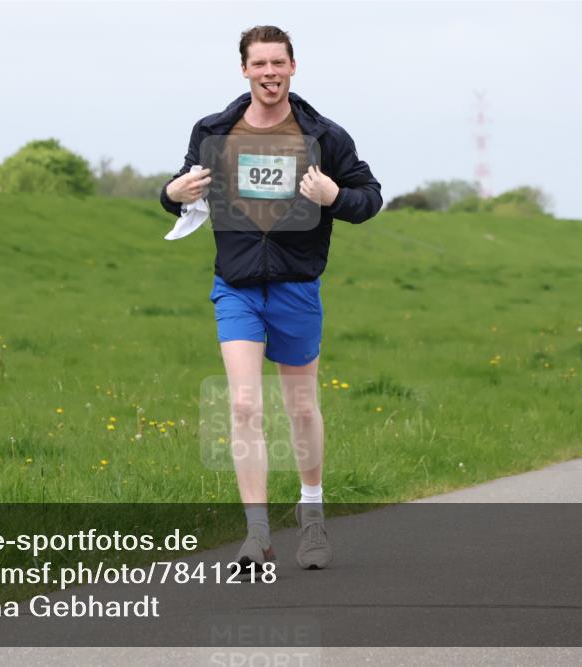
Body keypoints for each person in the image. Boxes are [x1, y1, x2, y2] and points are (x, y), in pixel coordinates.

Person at [160, 25, 382, 572]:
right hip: (235, 286)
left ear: (293, 67)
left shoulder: (324, 135)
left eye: (278, 63)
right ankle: (256, 536)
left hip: (296, 286)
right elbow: (180, 192)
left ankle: (312, 520)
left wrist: (333, 196)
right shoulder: (214, 130)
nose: (269, 73)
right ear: (244, 69)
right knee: (242, 405)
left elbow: (369, 198)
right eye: (259, 64)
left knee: (301, 407)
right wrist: (169, 193)